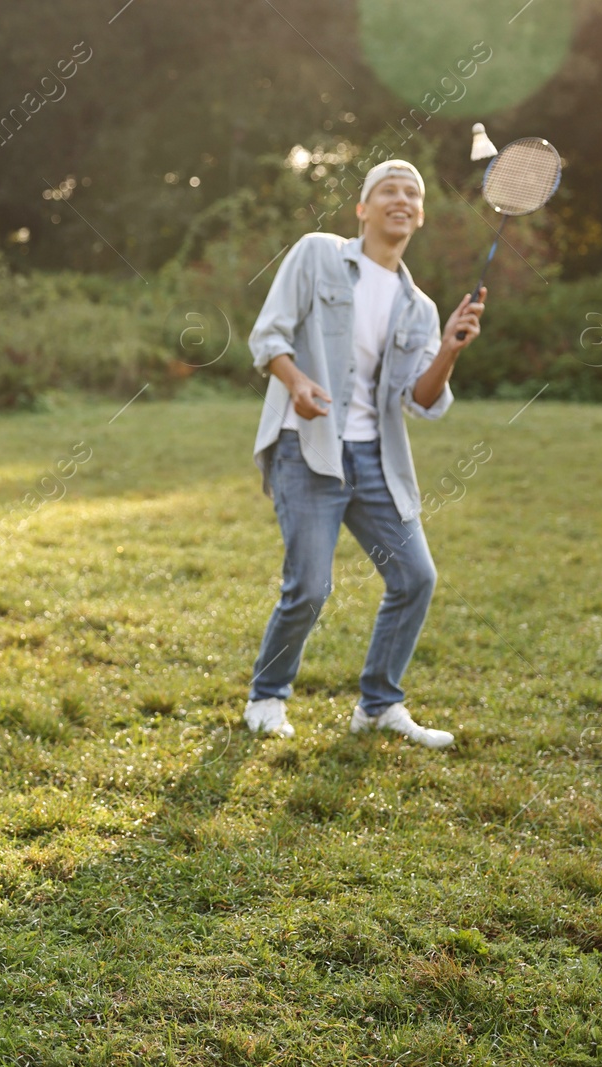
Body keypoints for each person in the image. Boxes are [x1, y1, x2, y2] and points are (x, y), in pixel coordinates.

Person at [243, 159, 484, 748]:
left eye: (412, 193)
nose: (401, 199)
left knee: (415, 577)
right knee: (309, 586)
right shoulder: (318, 254)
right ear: (363, 208)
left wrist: (449, 349)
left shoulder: (419, 308)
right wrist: (298, 385)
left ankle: (379, 705)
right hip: (309, 449)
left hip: (376, 459)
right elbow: (267, 336)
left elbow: (420, 401)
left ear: (420, 214)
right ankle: (266, 697)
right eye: (388, 191)